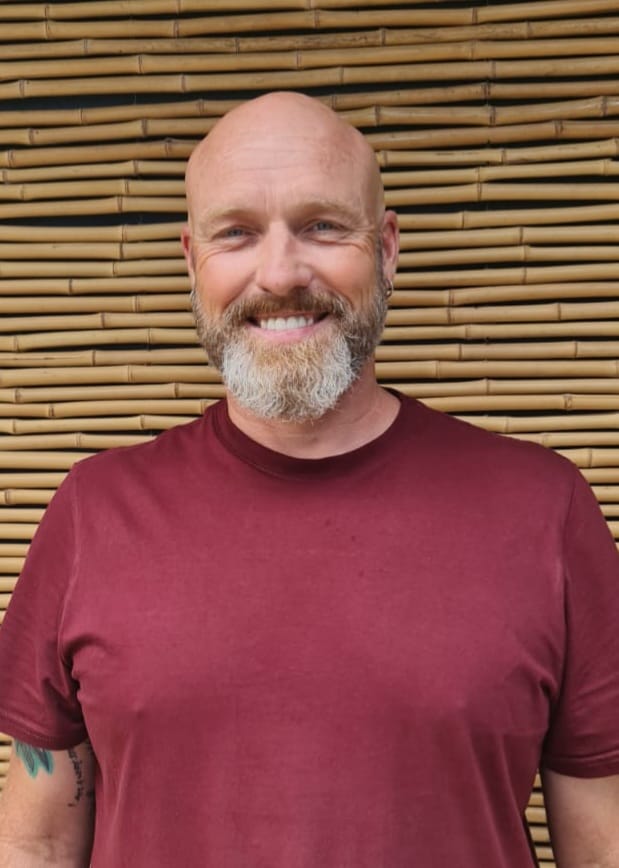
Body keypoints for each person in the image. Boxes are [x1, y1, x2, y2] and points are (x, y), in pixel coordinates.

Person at [0, 91, 618, 868]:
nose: (280, 272)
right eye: (236, 233)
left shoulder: (542, 511)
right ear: (192, 261)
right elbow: (36, 842)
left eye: (322, 225)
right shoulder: (94, 514)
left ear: (386, 249)